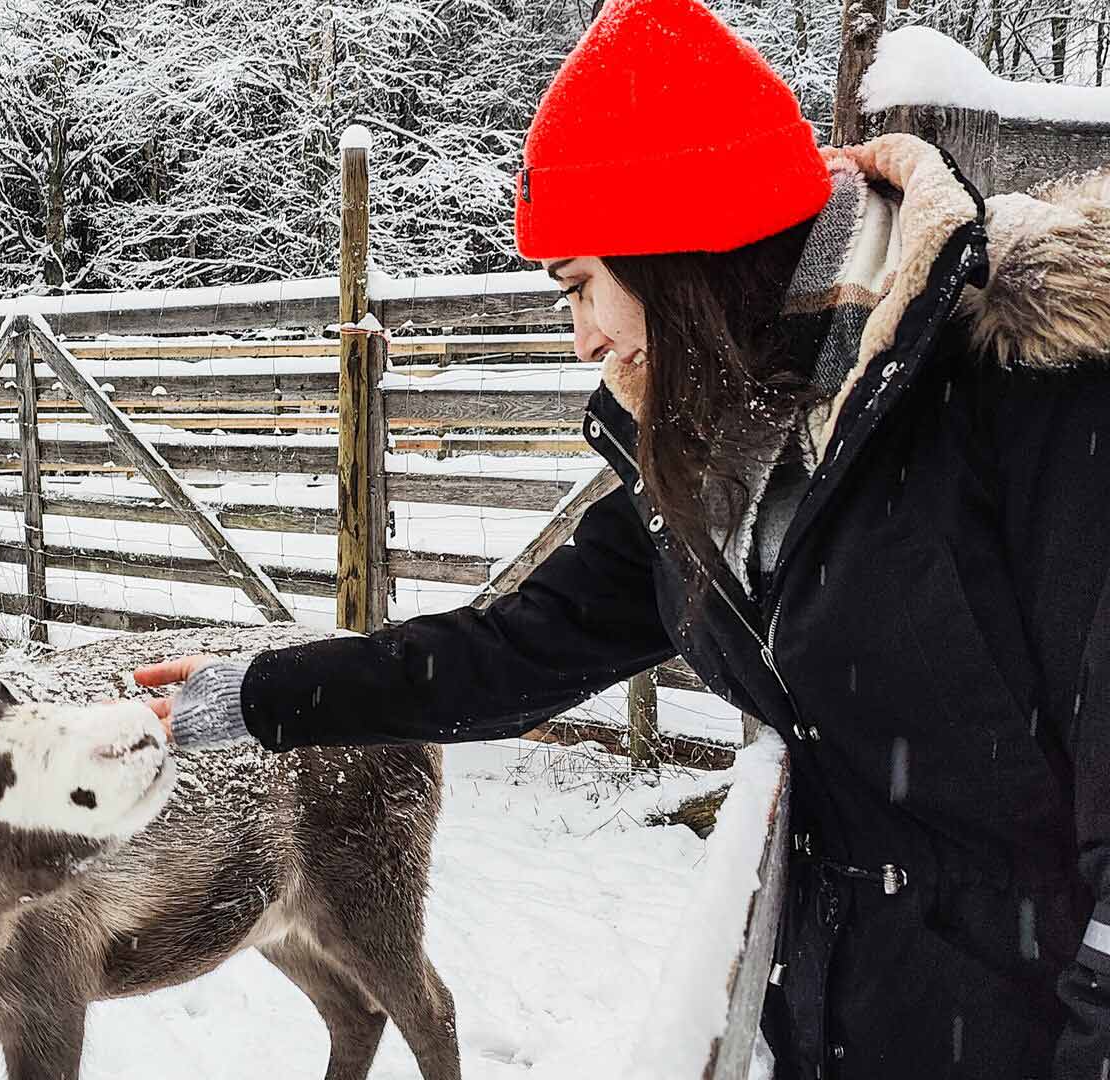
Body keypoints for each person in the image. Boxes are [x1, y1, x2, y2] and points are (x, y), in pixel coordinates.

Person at [132, 0, 1110, 1076]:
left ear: (681, 252)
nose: (582, 337)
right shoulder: (728, 459)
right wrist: (260, 695)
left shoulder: (1031, 401)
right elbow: (509, 650)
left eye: (581, 286)